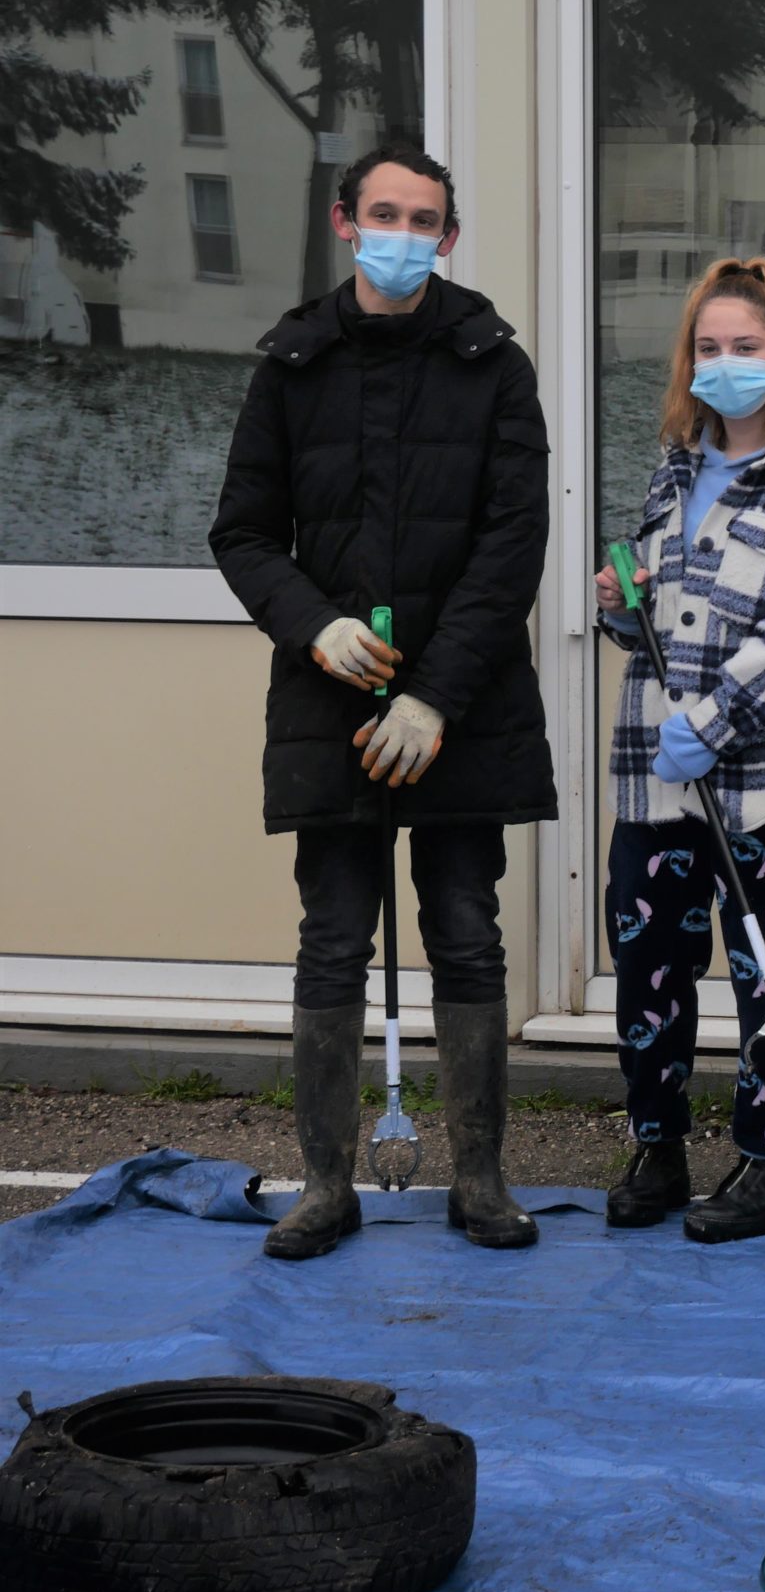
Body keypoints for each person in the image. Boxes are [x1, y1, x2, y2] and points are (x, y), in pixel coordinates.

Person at [210, 144, 554, 1260]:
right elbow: (245, 533)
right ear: (346, 222)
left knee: (467, 934)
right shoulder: (291, 366)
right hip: (330, 700)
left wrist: (436, 697)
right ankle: (324, 1182)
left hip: (465, 706)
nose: (406, 234)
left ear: (448, 237)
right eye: (385, 213)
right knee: (331, 938)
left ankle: (482, 1179)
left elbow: (513, 545)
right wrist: (313, 626)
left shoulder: (494, 363)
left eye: (427, 219)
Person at [590, 256, 765, 1244]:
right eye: (707, 349)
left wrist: (714, 722)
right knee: (649, 969)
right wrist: (621, 608)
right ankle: (657, 1147)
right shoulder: (675, 468)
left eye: (743, 348)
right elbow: (654, 618)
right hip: (656, 781)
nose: (723, 365)